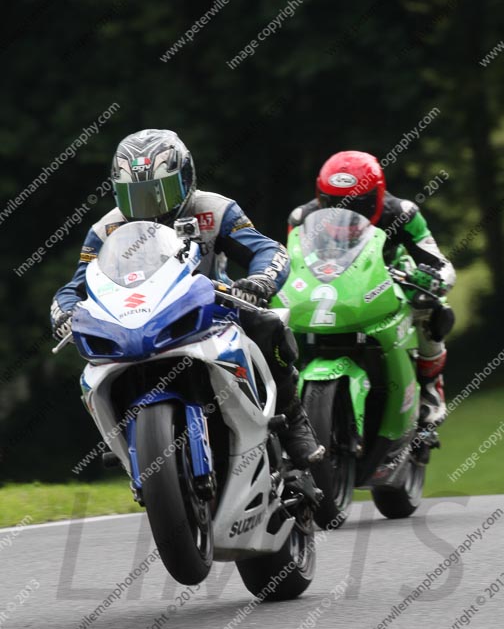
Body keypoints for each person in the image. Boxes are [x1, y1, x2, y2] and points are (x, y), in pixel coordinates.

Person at [50, 128, 324, 467]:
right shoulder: (105, 231)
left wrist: (257, 282)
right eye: (134, 195)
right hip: (138, 322)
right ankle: (128, 442)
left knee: (269, 325)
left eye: (158, 192)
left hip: (214, 311)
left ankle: (292, 418)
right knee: (94, 362)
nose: (148, 205)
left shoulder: (215, 210)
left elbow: (266, 250)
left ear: (186, 179)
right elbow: (74, 287)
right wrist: (63, 313)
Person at [288, 150, 456, 425]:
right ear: (321, 197)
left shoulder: (402, 213)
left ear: (378, 196)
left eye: (357, 205)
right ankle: (287, 395)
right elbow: (291, 262)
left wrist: (433, 279)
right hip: (325, 284)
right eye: (334, 203)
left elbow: (441, 264)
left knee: (435, 309)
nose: (345, 213)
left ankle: (430, 385)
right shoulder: (302, 218)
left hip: (388, 277)